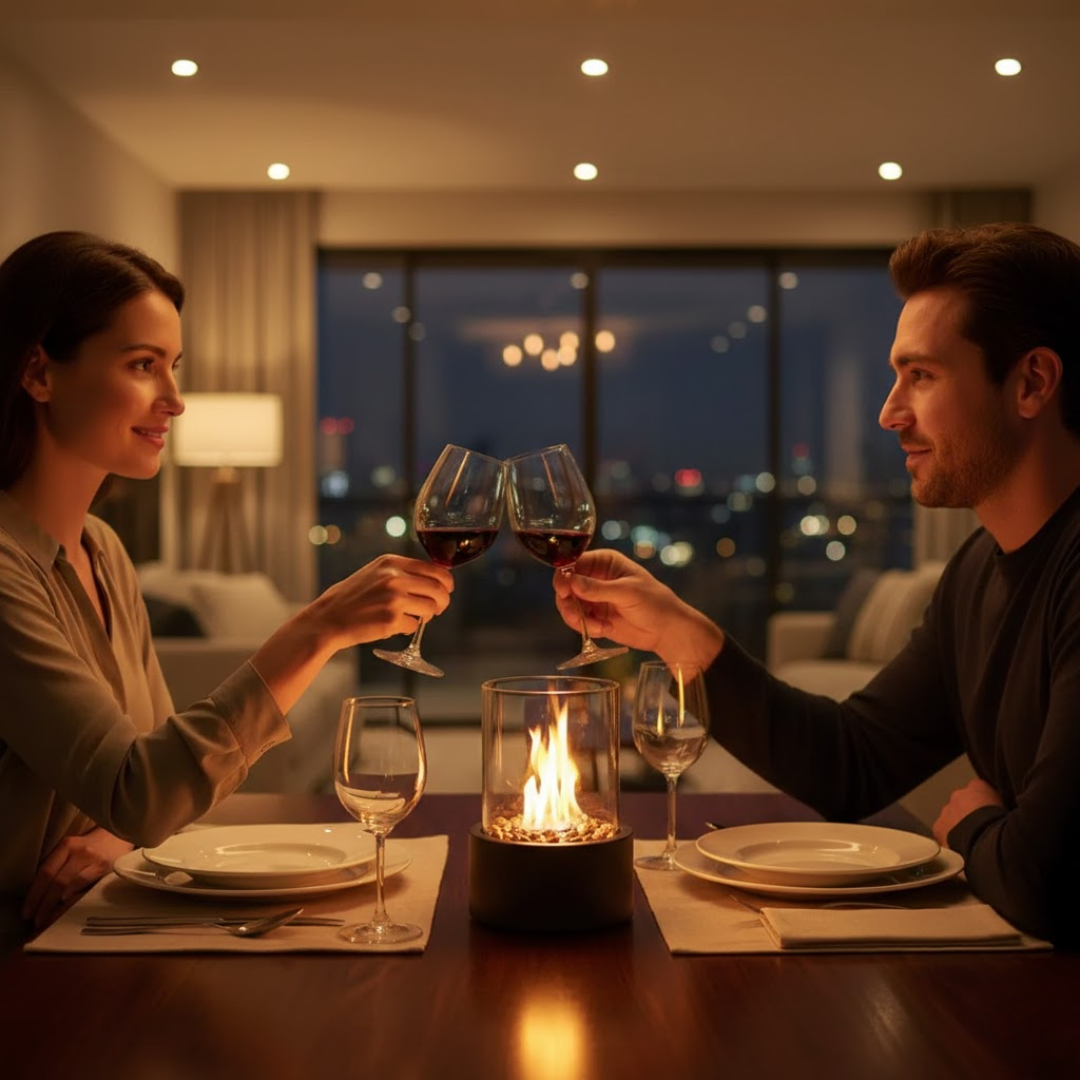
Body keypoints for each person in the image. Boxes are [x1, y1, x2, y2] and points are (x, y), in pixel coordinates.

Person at [554, 222, 1080, 947]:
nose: (890, 413)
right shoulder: (977, 572)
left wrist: (971, 824)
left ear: (1031, 383)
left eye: (922, 375)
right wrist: (683, 638)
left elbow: (1049, 882)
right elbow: (851, 763)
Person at [0, 231, 453, 936]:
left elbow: (158, 775)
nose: (175, 400)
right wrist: (318, 627)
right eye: (143, 365)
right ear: (38, 373)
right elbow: (145, 792)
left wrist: (121, 835)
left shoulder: (102, 549)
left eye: (174, 366)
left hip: (91, 926)